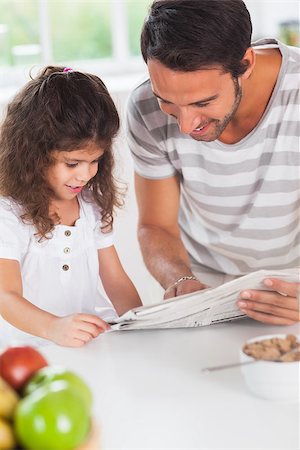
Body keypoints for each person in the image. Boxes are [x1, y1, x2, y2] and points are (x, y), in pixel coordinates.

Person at [126, 0, 299, 325]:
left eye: (203, 102)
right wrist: (179, 281)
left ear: (245, 64)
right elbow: (155, 226)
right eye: (168, 102)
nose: (186, 126)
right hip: (206, 296)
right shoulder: (144, 108)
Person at [0, 66, 142, 347]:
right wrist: (53, 328)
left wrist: (142, 322)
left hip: (87, 342)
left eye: (95, 160)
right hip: (27, 347)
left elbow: (115, 280)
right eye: (72, 163)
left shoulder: (90, 205)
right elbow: (5, 295)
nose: (85, 174)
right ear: (34, 154)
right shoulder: (9, 215)